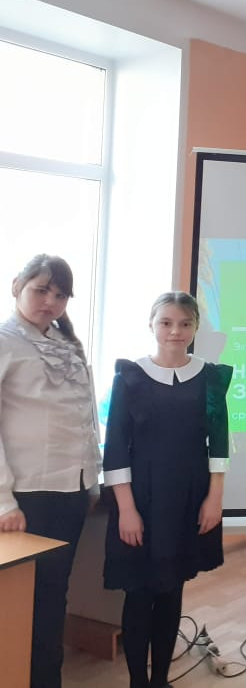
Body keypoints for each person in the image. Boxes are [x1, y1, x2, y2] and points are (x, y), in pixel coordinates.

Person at [103, 291, 232, 688]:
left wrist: (214, 499)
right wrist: (127, 509)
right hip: (140, 499)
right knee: (139, 592)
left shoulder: (210, 378)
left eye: (184, 323)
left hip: (188, 498)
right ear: (152, 325)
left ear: (195, 328)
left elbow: (219, 443)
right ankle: (137, 682)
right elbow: (115, 447)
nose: (175, 331)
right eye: (166, 322)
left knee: (172, 589)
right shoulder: (130, 377)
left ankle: (160, 680)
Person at [0, 254, 101, 688]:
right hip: (27, 495)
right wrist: (3, 501)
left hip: (70, 490)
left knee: (52, 594)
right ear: (16, 286)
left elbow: (83, 417)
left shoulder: (66, 343)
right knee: (20, 602)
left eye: (60, 295)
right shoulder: (5, 341)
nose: (50, 302)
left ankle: (45, 680)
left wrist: (91, 481)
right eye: (41, 290)